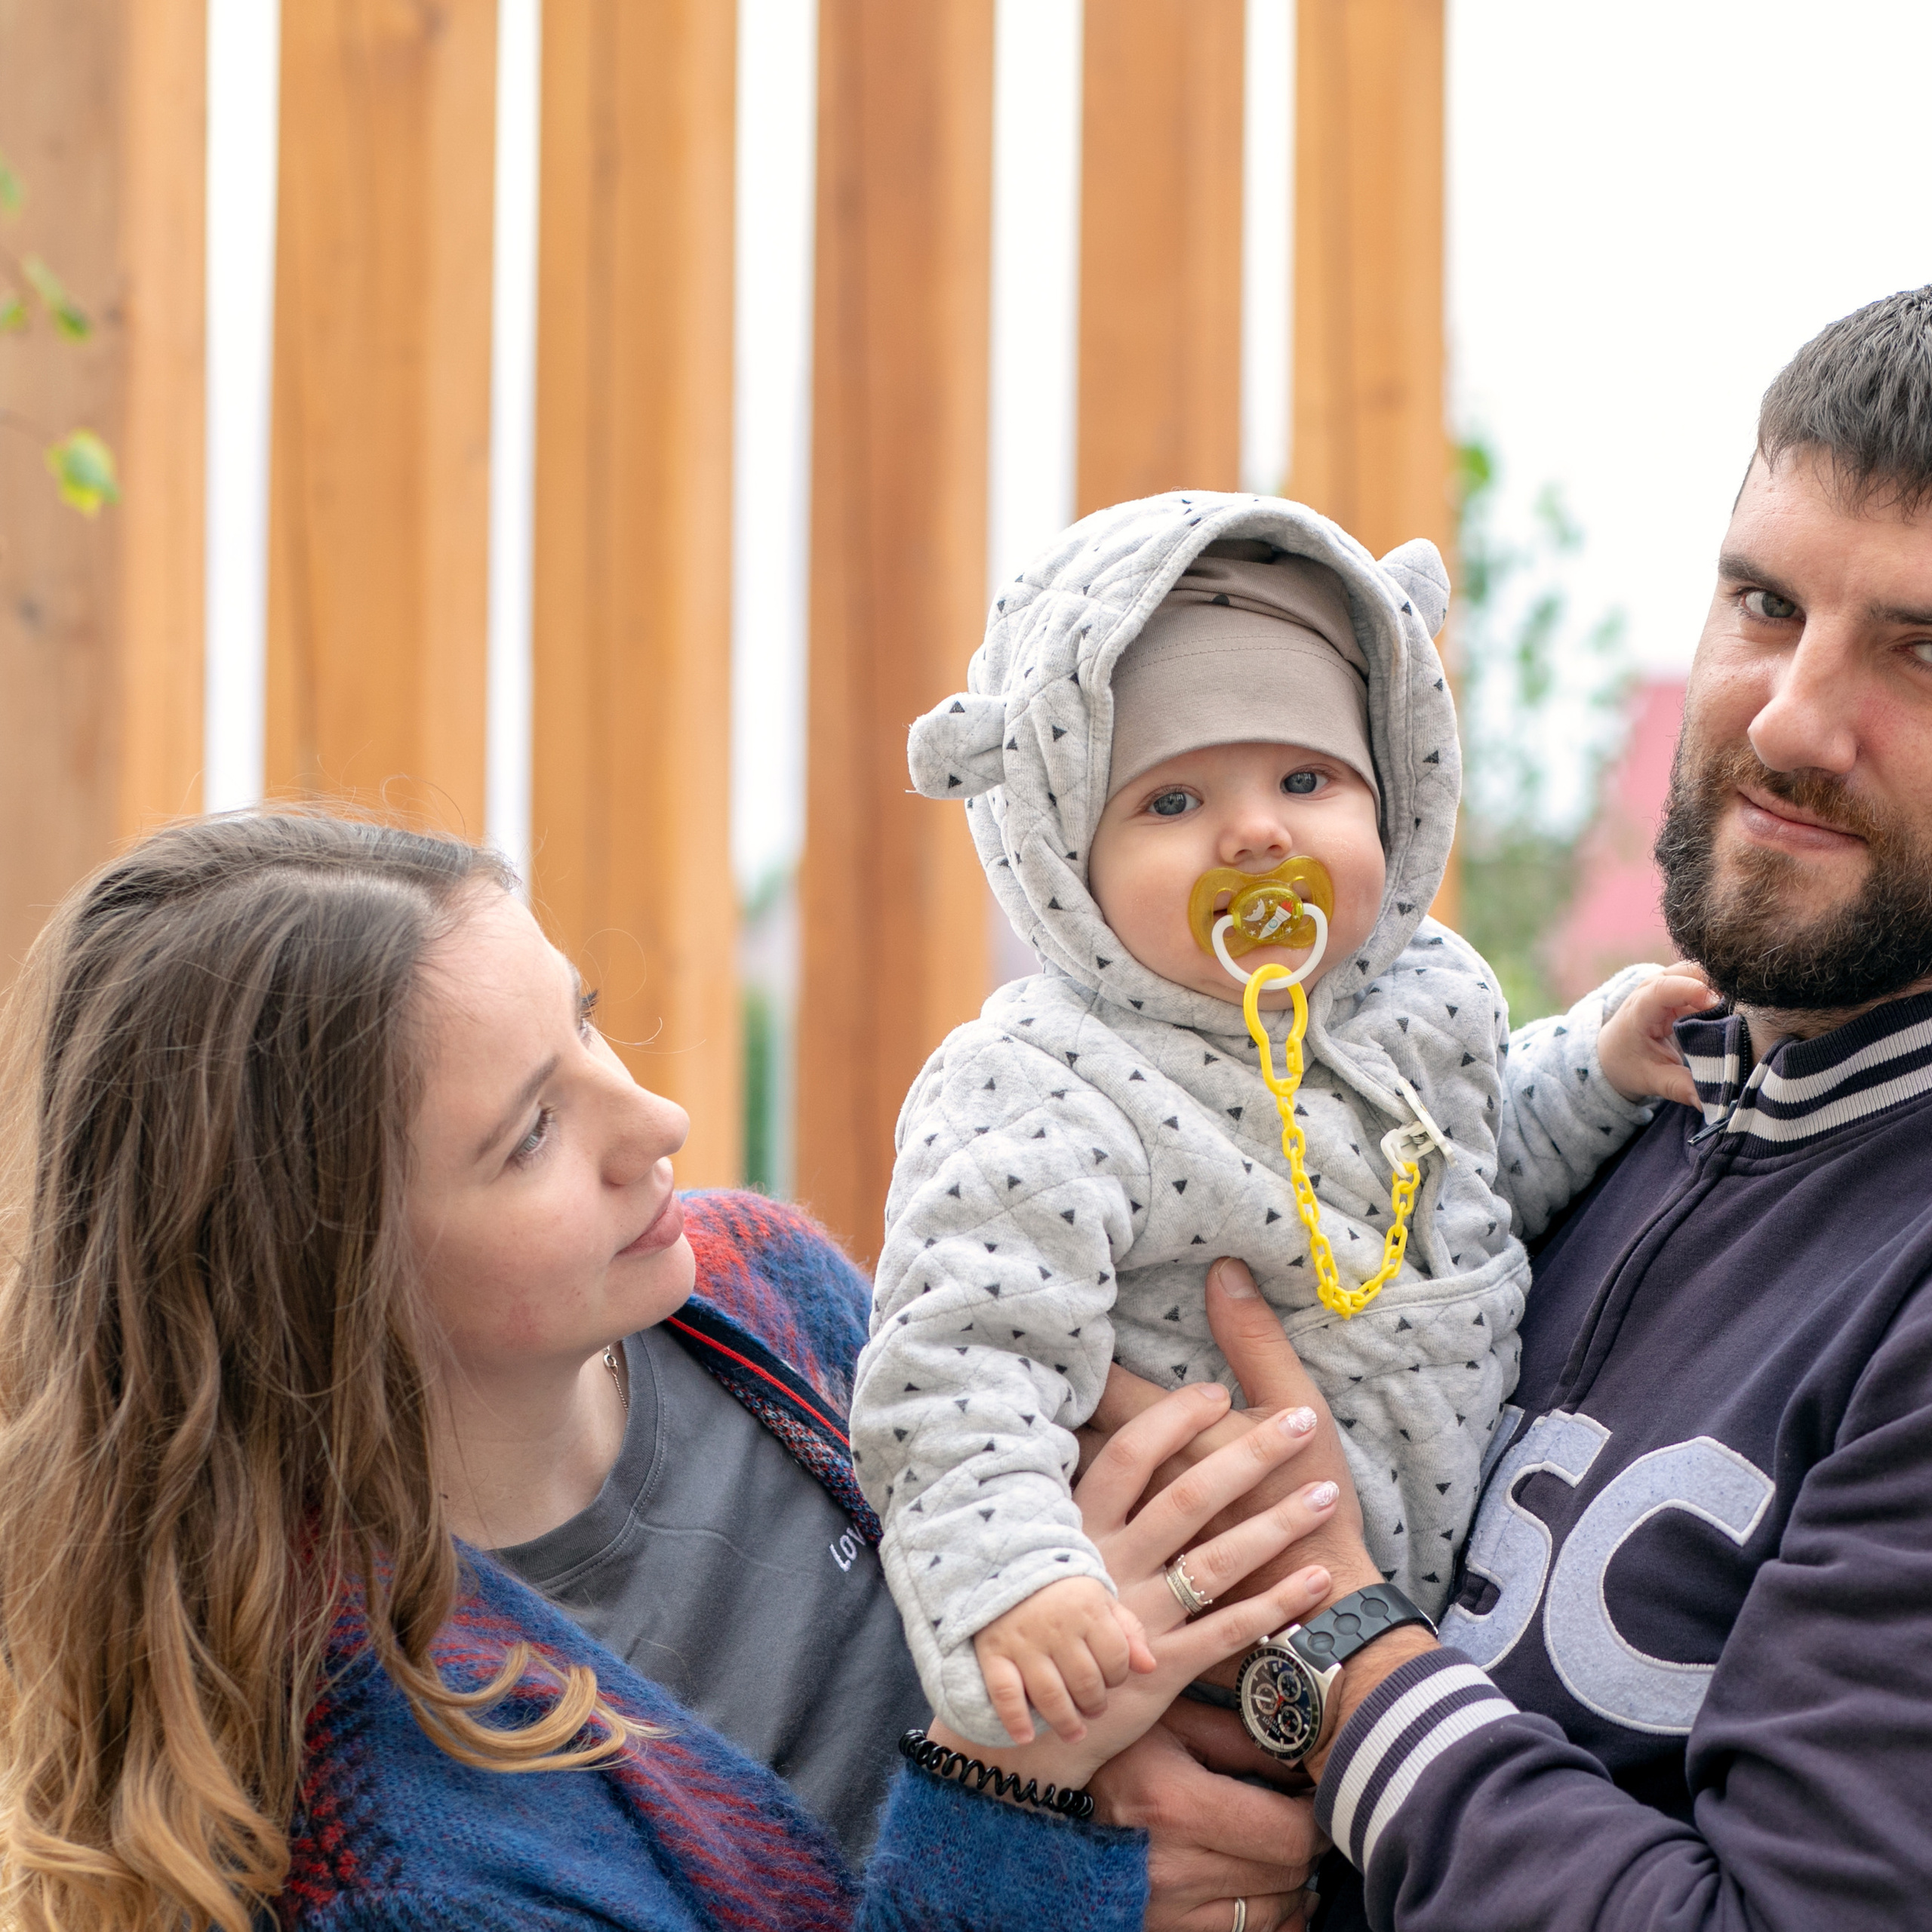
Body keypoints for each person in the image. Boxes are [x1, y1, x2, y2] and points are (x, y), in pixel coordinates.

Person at [0, 811, 1341, 1932]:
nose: (657, 1122)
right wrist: (1024, 1785)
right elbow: (1049, 1789)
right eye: (531, 1133)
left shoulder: (763, 1290)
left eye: (585, 1026)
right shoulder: (392, 1848)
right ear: (324, 1278)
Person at [1101, 285, 1932, 1931]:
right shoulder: (1596, 1121)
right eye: (1763, 601)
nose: (1784, 718)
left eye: (1920, 651)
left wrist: (1332, 1645)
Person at [850, 496, 1710, 1750]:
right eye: (1171, 802)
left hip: (1430, 1658)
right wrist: (1019, 1584)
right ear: (1062, 860)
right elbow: (960, 1360)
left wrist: (1595, 1070)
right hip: (1187, 1664)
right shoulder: (1043, 1084)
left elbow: (1466, 1186)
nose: (1256, 831)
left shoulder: (1432, 1000)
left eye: (1306, 779)